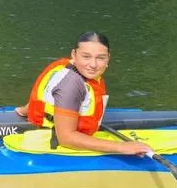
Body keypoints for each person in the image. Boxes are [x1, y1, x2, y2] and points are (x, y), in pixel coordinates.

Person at [14, 32, 151, 155]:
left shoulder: (68, 67)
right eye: (86, 57)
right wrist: (122, 147)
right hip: (53, 145)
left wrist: (23, 111)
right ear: (74, 54)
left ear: (108, 58)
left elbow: (44, 98)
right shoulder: (71, 84)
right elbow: (66, 138)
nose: (93, 64)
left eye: (100, 58)